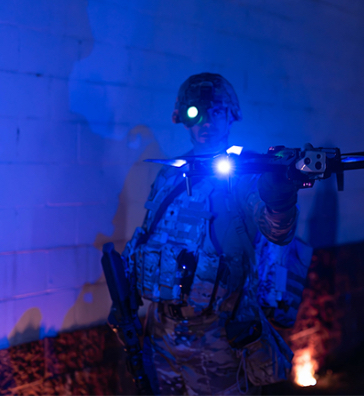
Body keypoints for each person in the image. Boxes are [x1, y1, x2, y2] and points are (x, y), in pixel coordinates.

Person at [122, 73, 299, 395]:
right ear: (182, 118)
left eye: (216, 111)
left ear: (231, 115)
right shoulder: (170, 173)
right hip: (162, 332)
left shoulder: (245, 173)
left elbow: (278, 231)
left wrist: (281, 195)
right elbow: (148, 239)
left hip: (220, 336)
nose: (206, 122)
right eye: (196, 113)